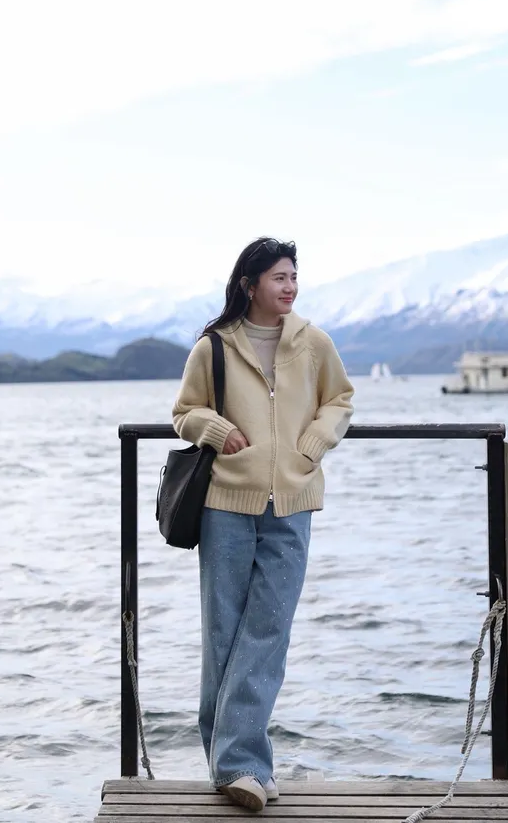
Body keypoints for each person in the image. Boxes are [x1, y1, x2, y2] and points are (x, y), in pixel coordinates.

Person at [172, 237, 354, 813]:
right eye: (279, 277)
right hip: (225, 502)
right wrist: (217, 429)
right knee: (223, 633)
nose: (290, 286)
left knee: (269, 628)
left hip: (293, 501)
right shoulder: (214, 346)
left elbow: (340, 400)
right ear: (249, 285)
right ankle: (239, 764)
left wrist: (314, 442)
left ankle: (237, 763)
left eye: (293, 276)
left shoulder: (314, 342)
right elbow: (184, 412)